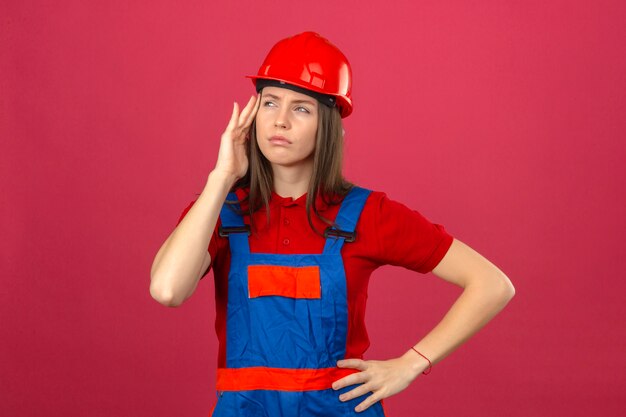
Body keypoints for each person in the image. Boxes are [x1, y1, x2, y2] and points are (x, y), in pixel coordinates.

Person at [150, 31, 515, 416]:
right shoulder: (219, 210)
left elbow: (493, 284)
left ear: (328, 124)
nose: (281, 121)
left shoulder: (368, 214)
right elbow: (167, 289)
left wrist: (411, 364)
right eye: (270, 102)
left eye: (301, 108)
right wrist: (221, 177)